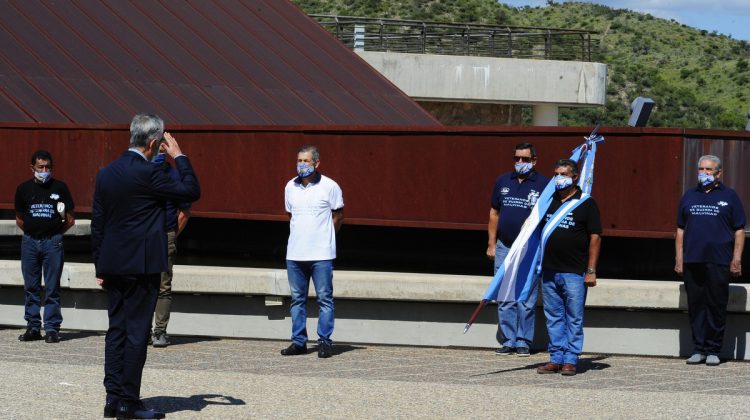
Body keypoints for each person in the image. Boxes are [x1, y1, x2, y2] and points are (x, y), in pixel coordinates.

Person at [92, 114, 200, 419]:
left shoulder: (106, 173)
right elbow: (191, 191)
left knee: (117, 330)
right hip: (142, 265)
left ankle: (112, 397)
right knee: (138, 332)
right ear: (154, 142)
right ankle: (128, 400)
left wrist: (99, 264)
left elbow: (98, 223)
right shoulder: (151, 174)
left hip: (113, 263)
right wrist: (179, 156)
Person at [675, 155, 745, 367]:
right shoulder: (689, 195)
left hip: (719, 261)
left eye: (708, 170)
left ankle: (714, 350)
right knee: (696, 305)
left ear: (718, 173)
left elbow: (739, 230)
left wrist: (736, 258)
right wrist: (679, 257)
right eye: (701, 169)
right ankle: (698, 349)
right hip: (693, 259)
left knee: (716, 304)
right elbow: (680, 229)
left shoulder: (730, 196)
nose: (704, 173)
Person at [536, 159, 601, 376]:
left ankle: (571, 359)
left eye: (563, 174)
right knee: (553, 316)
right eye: (556, 174)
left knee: (574, 317)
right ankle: (556, 357)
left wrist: (591, 270)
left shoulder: (586, 203)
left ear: (574, 177)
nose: (559, 178)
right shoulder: (548, 200)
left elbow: (595, 237)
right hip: (549, 270)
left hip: (574, 271)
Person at [280, 145, 344, 359]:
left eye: (306, 161)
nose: (302, 165)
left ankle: (324, 342)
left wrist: (327, 237)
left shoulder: (330, 186)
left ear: (316, 163)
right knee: (297, 299)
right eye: (299, 160)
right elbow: (291, 216)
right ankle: (299, 342)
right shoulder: (290, 186)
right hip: (295, 254)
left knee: (324, 299)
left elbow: (338, 215)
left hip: (321, 254)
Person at [487, 143, 549, 357]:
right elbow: (494, 213)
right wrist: (491, 244)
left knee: (526, 298)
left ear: (534, 160)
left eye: (525, 159)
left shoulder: (543, 184)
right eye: (517, 159)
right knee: (505, 297)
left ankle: (523, 341)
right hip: (505, 246)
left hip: (529, 250)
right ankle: (508, 340)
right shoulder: (503, 181)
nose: (520, 163)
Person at [14, 150, 75, 343]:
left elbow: (70, 220)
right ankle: (33, 327)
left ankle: (51, 328)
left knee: (52, 287)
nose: (44, 170)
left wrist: (55, 234)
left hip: (52, 242)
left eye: (48, 167)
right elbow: (19, 220)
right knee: (31, 287)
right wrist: (34, 233)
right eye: (40, 167)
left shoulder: (61, 187)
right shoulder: (23, 189)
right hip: (30, 241)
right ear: (32, 168)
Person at [150, 153, 192, 348]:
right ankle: (143, 331)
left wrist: (172, 235)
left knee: (163, 285)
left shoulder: (174, 176)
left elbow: (184, 211)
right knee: (143, 284)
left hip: (164, 234)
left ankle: (159, 331)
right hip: (146, 236)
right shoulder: (142, 172)